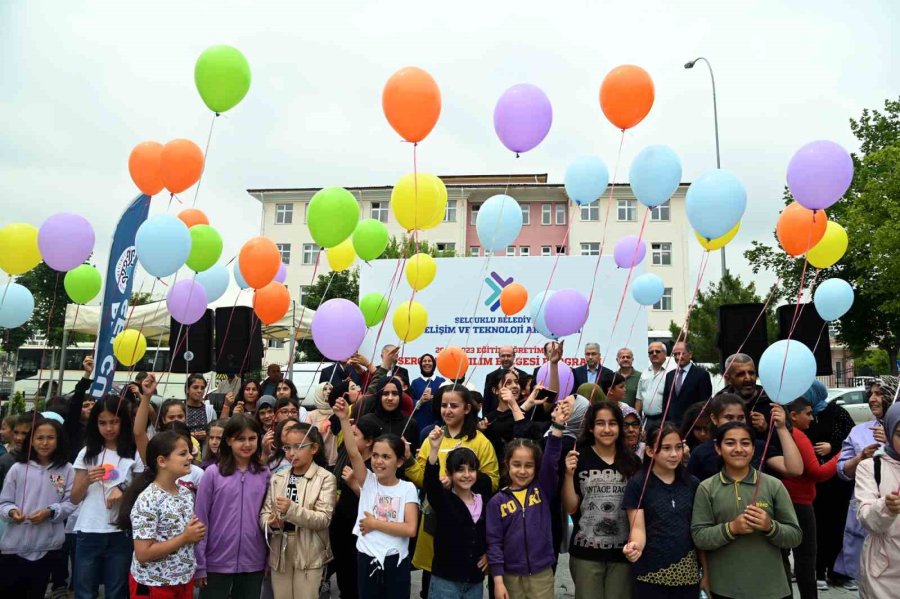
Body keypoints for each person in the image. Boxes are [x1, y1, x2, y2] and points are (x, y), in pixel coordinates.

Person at [690, 422, 802, 599]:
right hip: (724, 588)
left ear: (753, 448)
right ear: (718, 448)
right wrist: (731, 528)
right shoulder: (707, 488)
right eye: (730, 443)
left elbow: (795, 536)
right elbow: (699, 537)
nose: (738, 449)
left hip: (771, 589)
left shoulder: (773, 485)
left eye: (745, 443)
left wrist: (770, 526)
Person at [406, 384, 500, 594]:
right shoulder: (433, 437)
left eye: (454, 406)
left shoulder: (480, 442)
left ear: (467, 409)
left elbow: (493, 481)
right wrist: (407, 459)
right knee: (431, 581)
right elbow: (422, 477)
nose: (447, 410)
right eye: (444, 405)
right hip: (433, 521)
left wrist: (460, 481)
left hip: (467, 526)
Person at [335, 398, 420, 599]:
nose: (378, 461)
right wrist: (344, 420)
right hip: (366, 558)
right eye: (375, 456)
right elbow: (353, 452)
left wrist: (375, 523)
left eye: (386, 457)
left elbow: (410, 528)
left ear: (399, 461)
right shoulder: (368, 481)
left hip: (396, 561)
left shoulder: (407, 488)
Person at [487, 398, 572, 599]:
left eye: (529, 465)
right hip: (509, 576)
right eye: (517, 464)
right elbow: (494, 543)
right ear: (507, 465)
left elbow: (551, 459)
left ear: (537, 467)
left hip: (542, 573)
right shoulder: (497, 502)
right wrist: (497, 581)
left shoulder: (543, 489)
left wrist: (558, 426)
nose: (522, 471)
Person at [562, 400, 641, 599]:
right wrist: (568, 475)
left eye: (612, 423)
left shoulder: (632, 461)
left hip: (622, 552)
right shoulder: (579, 458)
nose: (607, 429)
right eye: (600, 423)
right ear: (591, 427)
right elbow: (571, 508)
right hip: (586, 553)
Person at [117, 430, 205, 599]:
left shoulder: (185, 493)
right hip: (154, 585)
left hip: (183, 579)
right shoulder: (148, 499)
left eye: (189, 452)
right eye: (182, 453)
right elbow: (143, 553)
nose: (190, 457)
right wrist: (185, 537)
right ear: (162, 461)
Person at [71, 394, 143, 599]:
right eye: (102, 423)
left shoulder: (133, 452)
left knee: (117, 591)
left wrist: (122, 488)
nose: (109, 428)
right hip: (89, 529)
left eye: (114, 422)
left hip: (120, 531)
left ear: (123, 421)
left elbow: (141, 489)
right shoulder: (87, 453)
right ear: (95, 424)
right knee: (84, 591)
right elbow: (74, 498)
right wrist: (87, 480)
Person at [623, 423, 707, 599]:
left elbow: (699, 531)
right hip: (649, 573)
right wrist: (635, 547)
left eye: (678, 447)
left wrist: (706, 572)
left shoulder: (693, 484)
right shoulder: (638, 484)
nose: (675, 454)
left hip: (688, 572)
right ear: (650, 451)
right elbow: (637, 528)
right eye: (666, 448)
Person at [194, 415, 270, 599]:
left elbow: (267, 517)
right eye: (240, 439)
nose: (247, 444)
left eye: (252, 438)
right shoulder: (212, 474)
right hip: (216, 560)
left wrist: (267, 558)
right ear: (228, 440)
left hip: (253, 559)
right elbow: (200, 518)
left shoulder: (264, 474)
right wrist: (200, 564)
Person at [0, 417, 76, 598]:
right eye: (39, 437)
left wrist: (50, 512)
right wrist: (11, 512)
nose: (44, 442)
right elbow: (4, 502)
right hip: (14, 547)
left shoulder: (66, 469)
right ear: (31, 441)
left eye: (50, 437)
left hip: (46, 547)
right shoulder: (18, 468)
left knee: (36, 591)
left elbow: (70, 503)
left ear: (59, 440)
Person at [261, 423, 337, 599]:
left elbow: (323, 519)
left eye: (298, 447)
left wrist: (291, 510)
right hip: (280, 548)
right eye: (287, 447)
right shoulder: (278, 478)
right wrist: (270, 522)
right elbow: (264, 513)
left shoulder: (326, 478)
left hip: (309, 550)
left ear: (314, 448)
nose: (291, 453)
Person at [422, 425, 492, 599]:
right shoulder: (444, 500)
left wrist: (489, 554)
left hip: (474, 582)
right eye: (460, 469)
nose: (467, 475)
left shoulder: (483, 502)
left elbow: (491, 535)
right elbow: (430, 483)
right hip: (445, 582)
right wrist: (434, 448)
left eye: (471, 469)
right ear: (449, 473)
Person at [833, 380, 890, 584]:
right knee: (867, 580)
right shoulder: (859, 432)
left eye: (879, 394)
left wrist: (894, 439)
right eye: (871, 394)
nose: (873, 399)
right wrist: (861, 458)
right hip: (866, 515)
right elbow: (842, 471)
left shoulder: (895, 432)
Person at [783, 396, 840, 599]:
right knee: (806, 558)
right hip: (799, 502)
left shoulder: (785, 435)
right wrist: (841, 456)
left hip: (787, 500)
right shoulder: (798, 436)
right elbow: (818, 473)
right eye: (808, 413)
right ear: (793, 416)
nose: (812, 417)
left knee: (784, 556)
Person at [801, 381, 856, 590]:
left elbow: (852, 440)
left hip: (837, 480)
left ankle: (838, 572)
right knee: (816, 526)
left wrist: (832, 446)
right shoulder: (801, 415)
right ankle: (818, 571)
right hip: (814, 480)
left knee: (837, 526)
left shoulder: (836, 412)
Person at [686, 393, 802, 481]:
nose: (736, 423)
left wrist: (781, 427)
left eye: (741, 418)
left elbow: (794, 470)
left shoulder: (758, 446)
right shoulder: (701, 452)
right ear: (714, 419)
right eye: (729, 418)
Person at [329, 416, 382, 599]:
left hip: (361, 529)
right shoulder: (347, 457)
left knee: (357, 577)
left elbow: (376, 503)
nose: (350, 440)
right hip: (341, 525)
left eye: (355, 435)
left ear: (369, 441)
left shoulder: (376, 466)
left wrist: (353, 484)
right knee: (344, 574)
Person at [855, 401, 900, 599]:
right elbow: (865, 517)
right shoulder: (871, 467)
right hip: (882, 570)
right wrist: (886, 507)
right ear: (890, 432)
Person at [661, 342, 712, 426]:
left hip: (692, 424)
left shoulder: (701, 375)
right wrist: (664, 423)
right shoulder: (670, 375)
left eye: (681, 354)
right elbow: (666, 402)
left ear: (690, 354)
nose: (678, 357)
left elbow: (705, 402)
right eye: (675, 354)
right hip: (671, 425)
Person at [361, 377, 419, 451]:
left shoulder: (410, 424)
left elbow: (413, 457)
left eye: (395, 394)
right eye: (385, 393)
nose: (390, 398)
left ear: (400, 396)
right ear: (379, 396)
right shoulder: (367, 421)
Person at [409, 354, 446, 435]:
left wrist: (435, 399)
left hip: (438, 420)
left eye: (429, 361)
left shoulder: (441, 381)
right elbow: (411, 402)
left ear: (434, 364)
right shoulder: (415, 382)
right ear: (420, 365)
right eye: (424, 361)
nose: (427, 363)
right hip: (420, 421)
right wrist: (421, 401)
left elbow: (446, 399)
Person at [636, 342, 671, 418]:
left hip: (665, 419)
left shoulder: (672, 371)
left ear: (665, 354)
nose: (654, 354)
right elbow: (639, 398)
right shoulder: (645, 372)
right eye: (651, 352)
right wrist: (636, 417)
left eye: (657, 351)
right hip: (646, 419)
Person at [306, 382, 338, 466]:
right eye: (324, 389)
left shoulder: (339, 412)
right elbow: (308, 437)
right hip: (317, 459)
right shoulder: (312, 415)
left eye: (330, 389)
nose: (328, 391)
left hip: (337, 460)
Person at [482, 345, 518, 416]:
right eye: (503, 356)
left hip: (516, 417)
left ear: (514, 357)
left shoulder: (523, 375)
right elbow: (487, 401)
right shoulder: (490, 376)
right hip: (495, 419)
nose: (505, 358)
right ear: (499, 357)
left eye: (508, 356)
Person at [184, 374, 217, 448]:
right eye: (195, 387)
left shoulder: (210, 410)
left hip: (205, 449)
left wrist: (207, 434)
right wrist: (192, 435)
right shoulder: (181, 409)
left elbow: (216, 432)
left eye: (202, 388)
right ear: (187, 389)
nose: (199, 391)